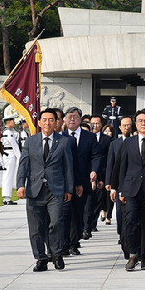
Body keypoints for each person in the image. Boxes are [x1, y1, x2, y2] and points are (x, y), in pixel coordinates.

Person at [16, 108, 74, 272]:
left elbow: (68, 167)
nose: (48, 123)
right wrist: (20, 184)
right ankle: (41, 258)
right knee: (35, 228)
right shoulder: (30, 141)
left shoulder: (63, 142)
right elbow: (23, 165)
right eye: (45, 120)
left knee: (56, 223)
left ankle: (56, 255)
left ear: (56, 123)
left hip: (55, 191)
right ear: (39, 122)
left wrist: (69, 188)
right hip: (35, 190)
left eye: (51, 120)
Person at [113, 109, 145, 271]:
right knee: (131, 222)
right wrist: (120, 189)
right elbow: (122, 167)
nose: (143, 123)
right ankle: (133, 254)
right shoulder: (128, 142)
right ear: (136, 124)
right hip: (131, 189)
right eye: (140, 120)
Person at [62, 107, 101, 256]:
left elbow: (96, 156)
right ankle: (65, 243)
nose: (72, 119)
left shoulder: (89, 137)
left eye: (75, 117)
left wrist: (94, 170)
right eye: (69, 116)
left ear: (80, 120)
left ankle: (74, 242)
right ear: (65, 119)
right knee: (65, 214)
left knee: (78, 213)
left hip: (82, 181)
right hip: (64, 182)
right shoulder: (61, 136)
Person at [106, 116, 133, 250]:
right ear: (120, 127)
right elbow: (111, 165)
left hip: (134, 182)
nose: (126, 127)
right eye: (124, 125)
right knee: (120, 211)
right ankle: (122, 234)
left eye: (129, 125)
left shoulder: (135, 142)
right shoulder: (114, 144)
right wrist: (111, 185)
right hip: (120, 183)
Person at [83, 115, 112, 236]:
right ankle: (86, 225)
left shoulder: (107, 139)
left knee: (98, 200)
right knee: (88, 201)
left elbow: (107, 159)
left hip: (102, 173)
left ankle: (93, 223)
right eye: (93, 123)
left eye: (97, 123)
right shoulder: (86, 138)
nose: (95, 126)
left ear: (101, 125)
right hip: (88, 174)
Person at [1, 112, 21, 205]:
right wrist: (20, 157)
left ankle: (7, 197)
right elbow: (15, 146)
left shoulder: (7, 132)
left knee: (8, 176)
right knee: (8, 176)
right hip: (9, 155)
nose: (14, 122)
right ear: (8, 122)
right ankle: (6, 198)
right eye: (12, 120)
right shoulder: (8, 133)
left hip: (8, 155)